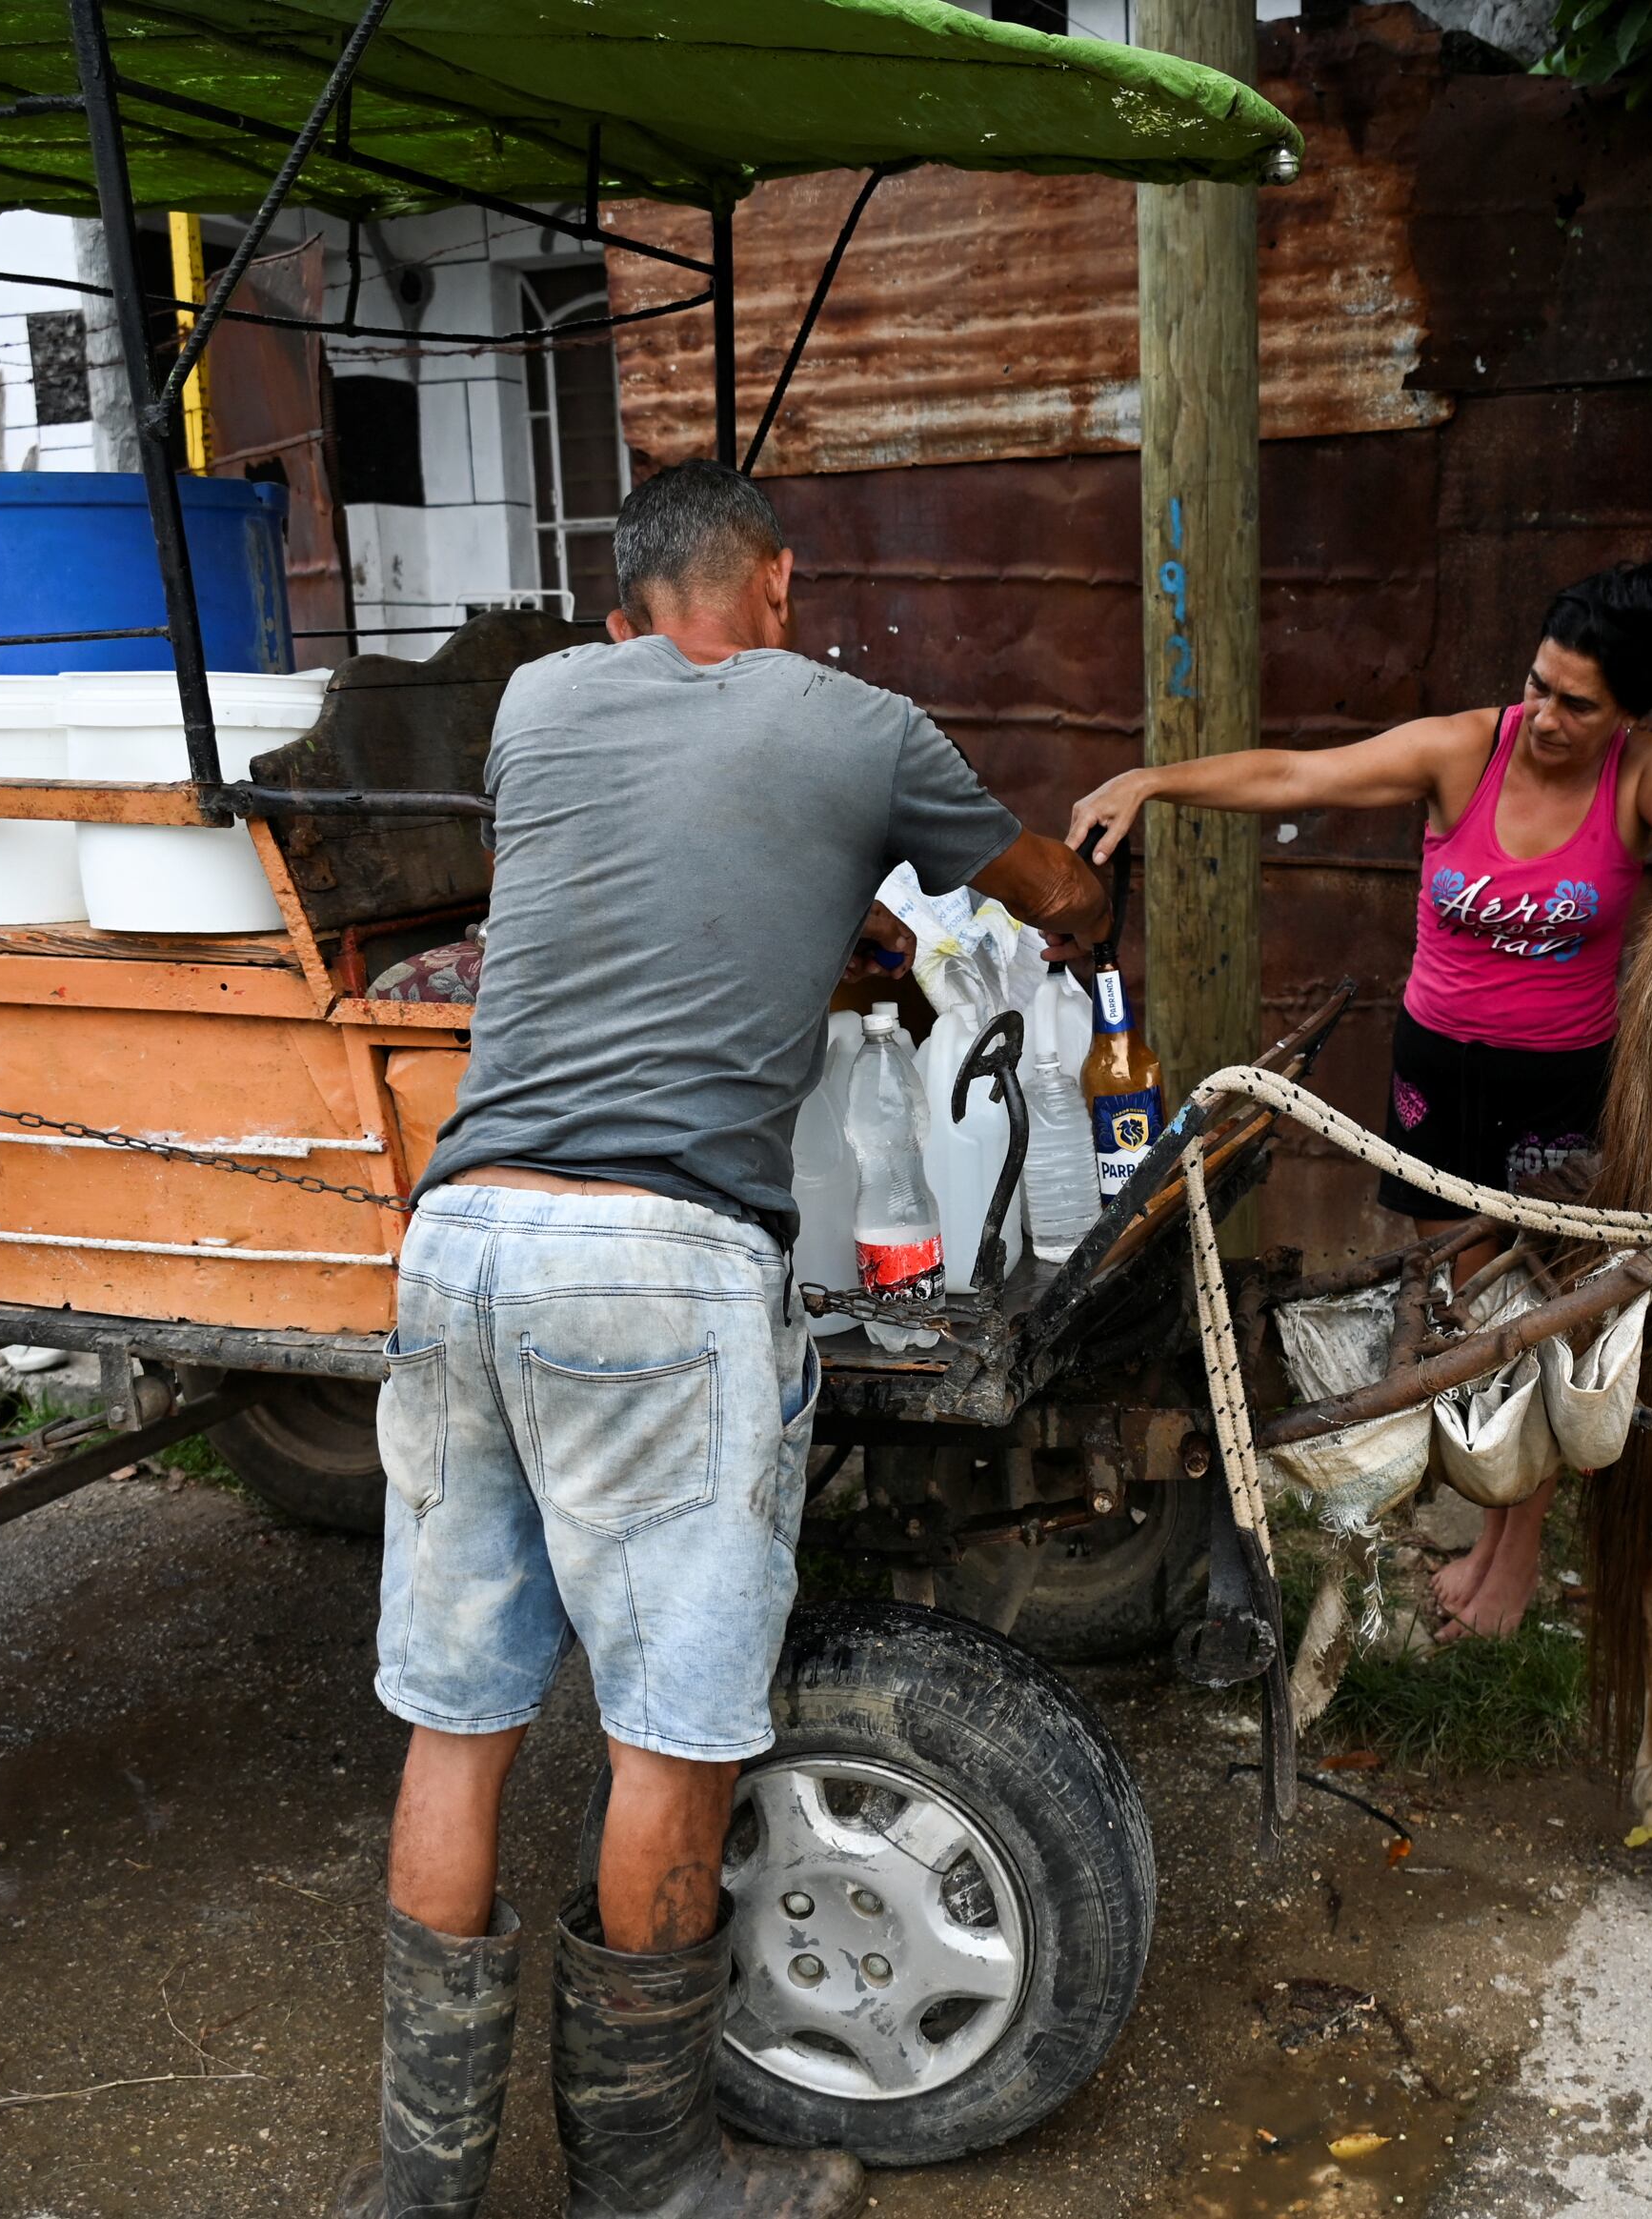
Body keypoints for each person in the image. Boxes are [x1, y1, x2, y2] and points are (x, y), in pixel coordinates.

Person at [333, 461, 1108, 2219]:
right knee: (670, 1735)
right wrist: (1086, 893)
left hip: (460, 1245)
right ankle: (653, 2173)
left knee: (457, 1725)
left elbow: (677, 870)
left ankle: (416, 2191)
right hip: (653, 1270)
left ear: (624, 601)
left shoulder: (538, 702)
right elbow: (1031, 886)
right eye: (784, 594)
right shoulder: (863, 723)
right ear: (771, 580)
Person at [1064, 560, 1652, 1641]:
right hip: (1438, 1076)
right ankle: (1489, 1516)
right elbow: (1296, 777)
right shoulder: (1466, 749)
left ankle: (1515, 1551)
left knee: (1550, 1308)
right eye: (1537, 684)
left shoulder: (1640, 773)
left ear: (1625, 712)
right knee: (1467, 1312)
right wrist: (1152, 781)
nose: (1543, 714)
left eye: (1574, 702)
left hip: (1564, 1088)